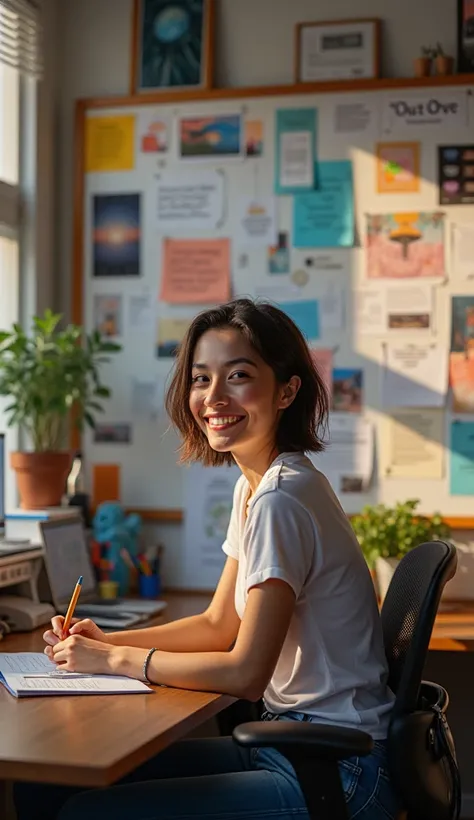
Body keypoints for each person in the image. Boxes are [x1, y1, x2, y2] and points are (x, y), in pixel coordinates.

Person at [15, 298, 401, 820]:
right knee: (40, 787)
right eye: (201, 379)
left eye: (238, 375)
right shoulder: (258, 489)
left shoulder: (280, 499)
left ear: (287, 389)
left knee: (86, 811)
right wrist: (107, 641)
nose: (214, 397)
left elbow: (244, 672)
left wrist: (113, 662)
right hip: (297, 745)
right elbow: (220, 625)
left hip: (340, 769)